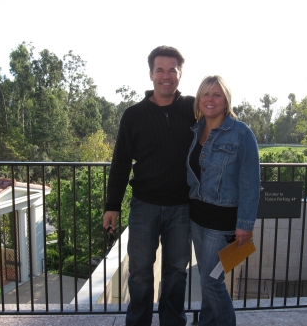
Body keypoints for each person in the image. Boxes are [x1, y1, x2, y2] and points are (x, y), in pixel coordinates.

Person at [102, 45, 196, 326]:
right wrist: (111, 206)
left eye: (172, 70)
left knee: (177, 272)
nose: (166, 76)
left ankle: (172, 322)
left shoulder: (193, 109)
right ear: (151, 74)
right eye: (160, 70)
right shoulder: (133, 115)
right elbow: (120, 163)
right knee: (140, 273)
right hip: (144, 207)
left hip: (183, 207)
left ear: (180, 73)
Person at [187, 75, 260, 326]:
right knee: (207, 279)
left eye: (216, 95)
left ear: (226, 100)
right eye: (205, 94)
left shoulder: (242, 134)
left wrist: (245, 224)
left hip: (223, 222)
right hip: (196, 217)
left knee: (211, 281)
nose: (210, 99)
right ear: (199, 99)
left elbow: (250, 183)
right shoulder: (195, 129)